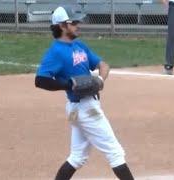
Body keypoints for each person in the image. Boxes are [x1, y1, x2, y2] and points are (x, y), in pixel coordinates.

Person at [34, 6, 135, 180]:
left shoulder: (79, 45)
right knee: (115, 152)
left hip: (83, 107)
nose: (78, 25)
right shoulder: (56, 52)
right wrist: (68, 85)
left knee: (77, 157)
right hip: (84, 110)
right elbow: (40, 80)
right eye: (73, 23)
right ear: (62, 26)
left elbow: (103, 65)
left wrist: (100, 81)